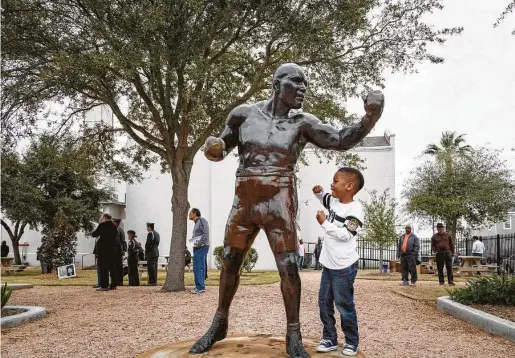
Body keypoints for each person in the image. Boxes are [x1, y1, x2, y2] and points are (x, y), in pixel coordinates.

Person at [189, 63, 383, 358]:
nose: (303, 89)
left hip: (280, 199)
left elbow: (340, 140)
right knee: (230, 259)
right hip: (245, 199)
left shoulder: (302, 123)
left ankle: (294, 332)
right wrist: (212, 148)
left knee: (289, 266)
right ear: (276, 84)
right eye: (296, 82)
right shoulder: (243, 115)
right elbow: (220, 148)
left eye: (306, 84)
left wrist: (369, 119)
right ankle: (219, 322)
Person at [312, 168, 364, 357]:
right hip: (328, 264)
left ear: (349, 186)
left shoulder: (355, 210)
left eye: (335, 181)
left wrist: (324, 223)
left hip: (344, 267)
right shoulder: (333, 201)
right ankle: (330, 338)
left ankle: (351, 341)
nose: (331, 185)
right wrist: (318, 193)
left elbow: (346, 234)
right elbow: (325, 199)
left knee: (344, 304)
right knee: (324, 302)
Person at [91, 213, 118, 291]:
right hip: (112, 250)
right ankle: (113, 284)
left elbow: (94, 234)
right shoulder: (114, 226)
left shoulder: (102, 225)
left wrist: (99, 225)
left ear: (105, 218)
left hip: (103, 250)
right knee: (112, 267)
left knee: (104, 268)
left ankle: (104, 285)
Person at [188, 208, 210, 294]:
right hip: (197, 247)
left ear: (195, 213)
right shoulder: (196, 223)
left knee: (199, 267)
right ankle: (198, 285)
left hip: (202, 247)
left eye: (190, 213)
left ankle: (200, 287)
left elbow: (206, 233)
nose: (189, 215)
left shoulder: (202, 220)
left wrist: (200, 243)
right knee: (198, 266)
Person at [113, 218, 127, 285]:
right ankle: (119, 281)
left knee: (116, 266)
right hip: (119, 250)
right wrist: (124, 250)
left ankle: (117, 281)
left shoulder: (116, 230)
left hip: (116, 251)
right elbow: (124, 241)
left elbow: (119, 241)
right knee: (119, 266)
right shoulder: (121, 230)